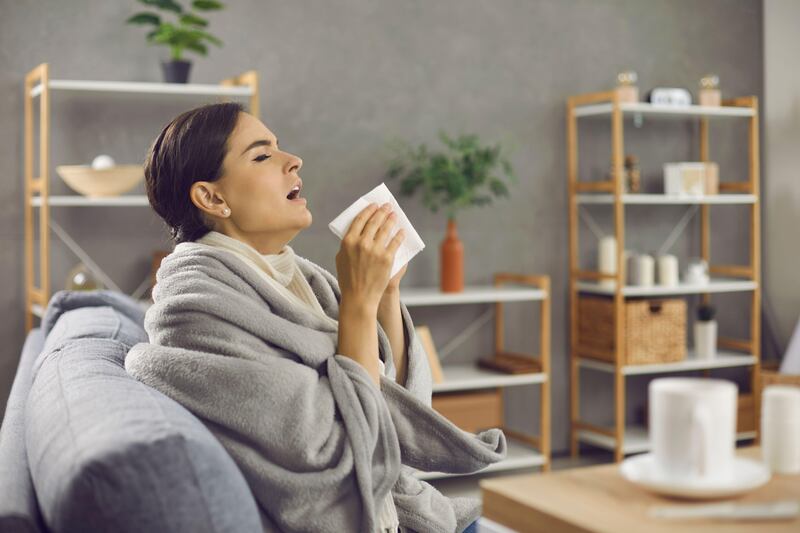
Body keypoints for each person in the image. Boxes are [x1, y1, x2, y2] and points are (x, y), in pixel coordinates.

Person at [125, 102, 503, 533]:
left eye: (279, 148)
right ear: (212, 197)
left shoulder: (300, 277)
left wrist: (384, 293)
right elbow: (332, 443)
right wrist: (359, 303)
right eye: (262, 155)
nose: (294, 160)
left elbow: (394, 402)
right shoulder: (195, 307)